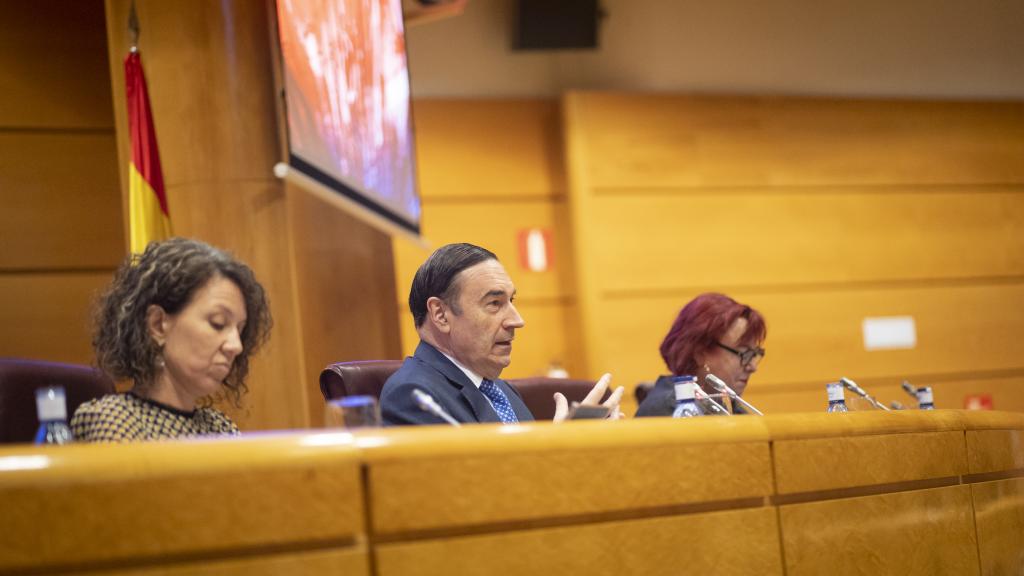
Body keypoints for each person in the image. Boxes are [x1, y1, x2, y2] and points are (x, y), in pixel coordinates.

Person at [380, 243, 623, 425]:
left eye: (511, 301)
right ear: (441, 315)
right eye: (495, 303)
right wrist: (558, 450)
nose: (517, 321)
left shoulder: (500, 391)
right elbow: (472, 489)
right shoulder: (415, 397)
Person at [71, 238, 272, 442]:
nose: (236, 346)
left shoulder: (220, 427)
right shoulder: (114, 419)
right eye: (218, 323)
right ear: (158, 324)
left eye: (239, 329)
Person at [635, 293, 766, 417]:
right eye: (743, 353)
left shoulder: (729, 406)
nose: (753, 366)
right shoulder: (671, 411)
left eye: (754, 354)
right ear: (700, 353)